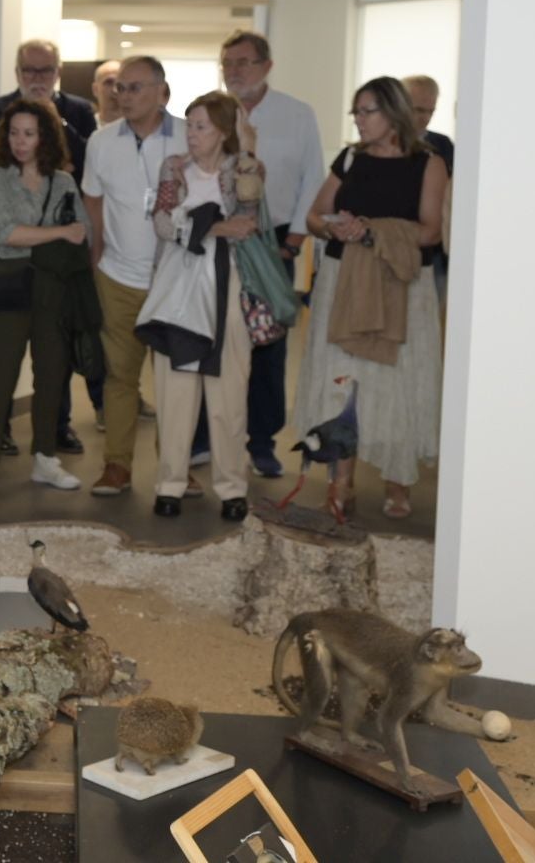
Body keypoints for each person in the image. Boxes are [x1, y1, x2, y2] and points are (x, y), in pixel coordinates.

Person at [295, 77, 447, 520]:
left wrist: (373, 231)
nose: (358, 120)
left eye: (367, 112)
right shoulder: (350, 158)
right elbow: (314, 214)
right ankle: (341, 481)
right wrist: (334, 226)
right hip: (343, 279)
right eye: (356, 112)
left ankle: (397, 482)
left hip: (401, 283)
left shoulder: (428, 163)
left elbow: (431, 230)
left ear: (393, 113)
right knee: (343, 380)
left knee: (395, 380)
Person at [139, 92, 262, 521]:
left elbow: (250, 219)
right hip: (177, 291)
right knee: (174, 393)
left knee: (228, 394)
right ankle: (170, 484)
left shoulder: (244, 169)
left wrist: (246, 148)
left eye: (202, 126)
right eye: (189, 125)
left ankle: (232, 487)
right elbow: (160, 221)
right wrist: (214, 226)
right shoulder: (172, 168)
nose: (191, 134)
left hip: (229, 291)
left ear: (224, 132)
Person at [0, 100, 90, 498]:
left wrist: (54, 234)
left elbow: (81, 232)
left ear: (45, 137)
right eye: (14, 132)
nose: (20, 141)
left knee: (52, 377)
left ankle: (46, 459)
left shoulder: (64, 183)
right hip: (8, 285)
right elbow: (7, 234)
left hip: (54, 290)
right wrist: (57, 234)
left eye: (29, 133)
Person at [0, 40, 99, 455]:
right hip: (9, 259)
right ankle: (0, 433)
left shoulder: (80, 112)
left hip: (56, 265)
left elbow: (81, 167)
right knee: (1, 360)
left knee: (54, 359)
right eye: (28, 71)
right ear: (16, 72)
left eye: (44, 71)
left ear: (58, 72)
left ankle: (57, 429)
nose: (36, 79)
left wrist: (57, 128)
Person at [219, 31, 326, 479]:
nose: (235, 71)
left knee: (268, 343)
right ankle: (211, 438)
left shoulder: (297, 115)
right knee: (220, 341)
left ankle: (262, 441)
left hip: (275, 240)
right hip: (222, 240)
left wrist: (294, 242)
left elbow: (312, 180)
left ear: (266, 65)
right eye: (227, 63)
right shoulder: (213, 113)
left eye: (244, 62)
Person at [82, 55, 188, 497]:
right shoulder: (102, 141)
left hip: (175, 278)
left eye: (135, 87)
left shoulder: (189, 136)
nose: (123, 95)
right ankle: (116, 467)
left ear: (162, 92)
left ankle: (177, 468)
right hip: (118, 276)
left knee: (176, 379)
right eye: (119, 87)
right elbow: (93, 198)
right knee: (120, 376)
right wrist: (99, 248)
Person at [403, 73, 454, 304]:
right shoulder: (382, 144)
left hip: (435, 253)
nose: (424, 118)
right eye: (418, 109)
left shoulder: (443, 146)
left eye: (430, 111)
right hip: (394, 245)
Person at [93, 59, 123, 125]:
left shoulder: (142, 130)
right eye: (109, 83)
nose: (115, 90)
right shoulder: (85, 128)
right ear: (95, 89)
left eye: (120, 84)